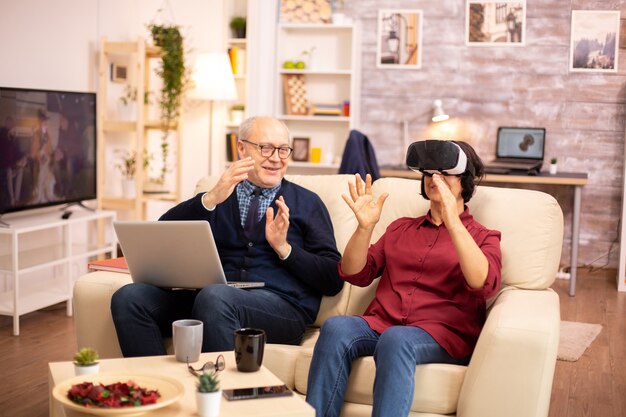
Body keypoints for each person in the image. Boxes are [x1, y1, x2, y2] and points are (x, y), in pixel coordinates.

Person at [111, 116, 344, 357]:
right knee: (129, 297)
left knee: (214, 296)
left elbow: (333, 278)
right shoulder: (217, 195)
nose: (275, 158)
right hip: (208, 300)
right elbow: (163, 233)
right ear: (241, 148)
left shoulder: (308, 202)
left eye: (283, 150)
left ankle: (218, 391)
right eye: (265, 148)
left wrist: (285, 249)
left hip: (280, 308)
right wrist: (210, 199)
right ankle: (158, 388)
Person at [306, 141, 502, 417]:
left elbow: (482, 283)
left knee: (397, 340)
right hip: (382, 324)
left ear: (465, 181)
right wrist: (365, 228)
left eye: (446, 172)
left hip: (443, 334)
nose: (435, 179)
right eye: (429, 172)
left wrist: (452, 220)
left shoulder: (483, 236)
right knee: (336, 328)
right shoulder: (400, 228)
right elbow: (354, 273)